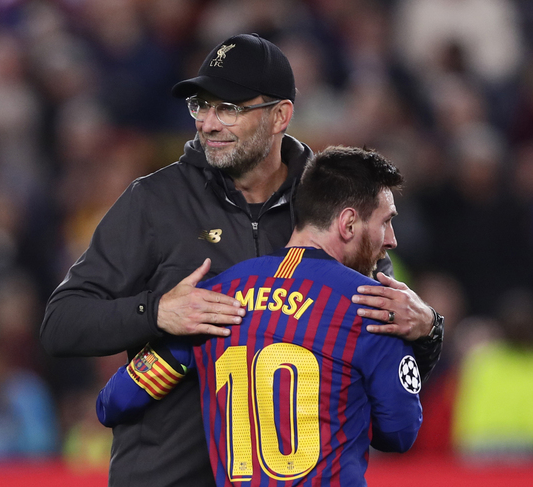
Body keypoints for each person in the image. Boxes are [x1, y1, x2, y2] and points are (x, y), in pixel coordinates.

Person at [41, 33, 443, 486]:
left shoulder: (326, 207)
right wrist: (156, 312)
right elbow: (61, 323)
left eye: (228, 108)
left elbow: (379, 348)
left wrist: (427, 329)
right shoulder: (154, 202)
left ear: (279, 116)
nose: (207, 123)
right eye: (200, 106)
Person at [97, 146, 423, 486]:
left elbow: (115, 401)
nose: (392, 240)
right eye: (386, 222)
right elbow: (399, 433)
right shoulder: (370, 305)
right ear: (348, 223)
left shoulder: (213, 299)